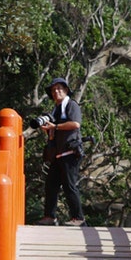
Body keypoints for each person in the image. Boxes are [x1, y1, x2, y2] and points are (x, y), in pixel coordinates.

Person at [38, 77, 84, 226]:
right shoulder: (56, 110)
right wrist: (49, 130)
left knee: (69, 185)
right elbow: (54, 132)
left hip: (70, 153)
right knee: (51, 185)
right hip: (58, 154)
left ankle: (78, 218)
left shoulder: (71, 105)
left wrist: (55, 127)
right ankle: (50, 217)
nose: (56, 91)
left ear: (66, 90)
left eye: (59, 88)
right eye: (53, 90)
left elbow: (75, 124)